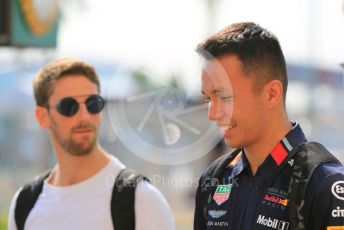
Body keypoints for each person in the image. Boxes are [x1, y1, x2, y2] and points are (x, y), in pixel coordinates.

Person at [194, 22, 344, 230]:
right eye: (208, 99)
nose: (213, 113)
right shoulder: (213, 179)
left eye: (224, 96)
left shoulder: (324, 184)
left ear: (272, 94)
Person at [8, 57, 175, 230]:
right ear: (43, 117)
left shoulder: (140, 199)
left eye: (92, 104)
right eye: (68, 106)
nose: (84, 116)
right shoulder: (24, 204)